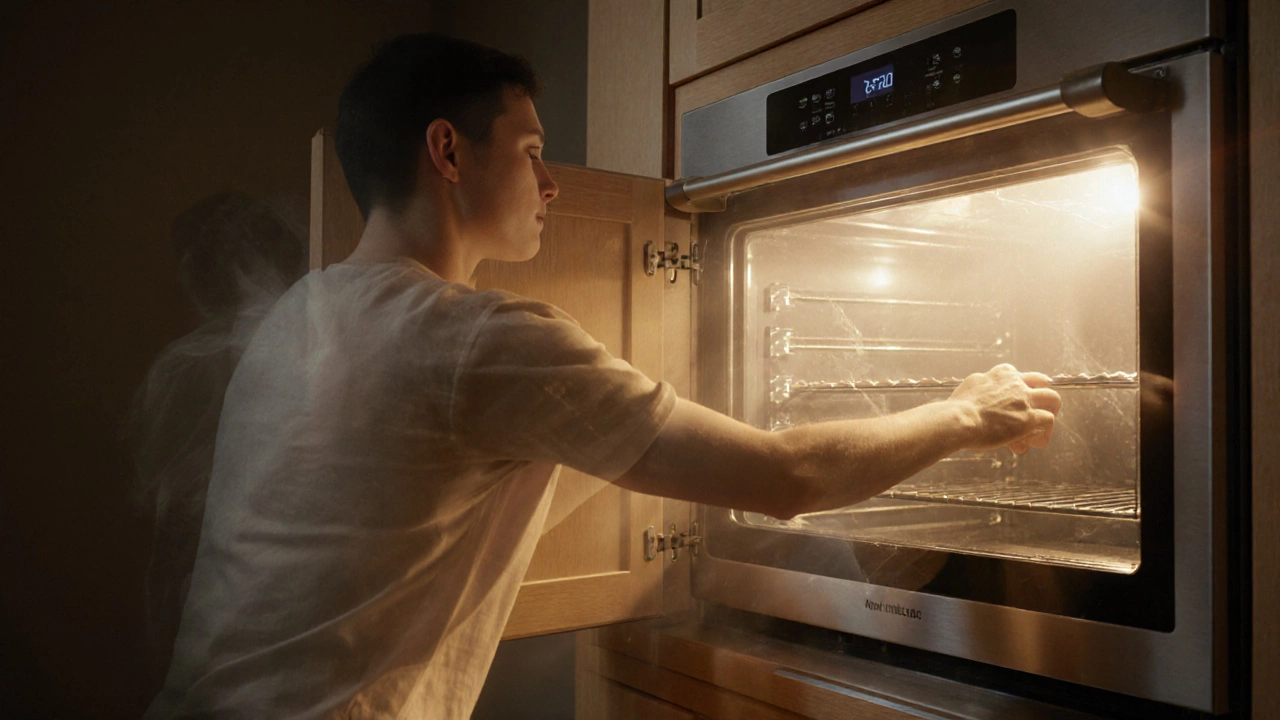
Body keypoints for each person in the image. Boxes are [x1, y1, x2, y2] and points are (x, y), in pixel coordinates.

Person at [144, 33, 1061, 719]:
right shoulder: (475, 340)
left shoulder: (298, 315)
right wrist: (965, 412)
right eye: (534, 153)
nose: (551, 188)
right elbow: (788, 478)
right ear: (448, 152)